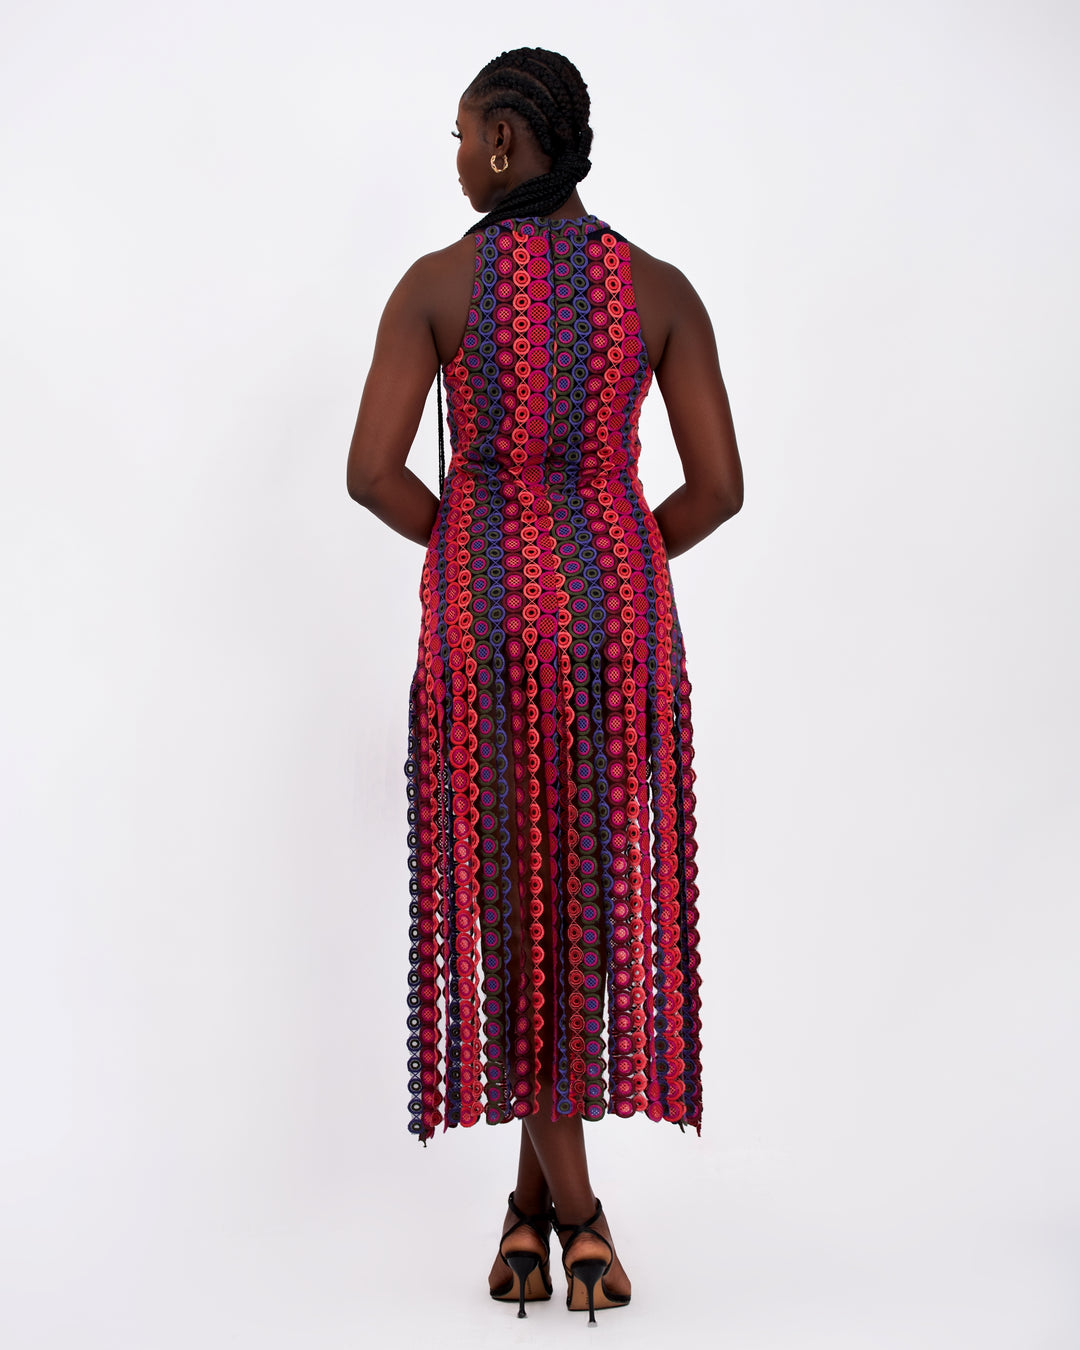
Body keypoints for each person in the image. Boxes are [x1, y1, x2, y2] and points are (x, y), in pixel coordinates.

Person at [346, 47, 743, 1324]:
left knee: (518, 910)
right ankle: (528, 1218)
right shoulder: (661, 289)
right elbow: (719, 489)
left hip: (487, 624)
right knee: (582, 903)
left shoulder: (438, 286)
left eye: (465, 136)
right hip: (624, 625)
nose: (460, 159)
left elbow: (372, 471)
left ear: (509, 143)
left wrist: (477, 544)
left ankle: (577, 1221)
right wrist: (609, 557)